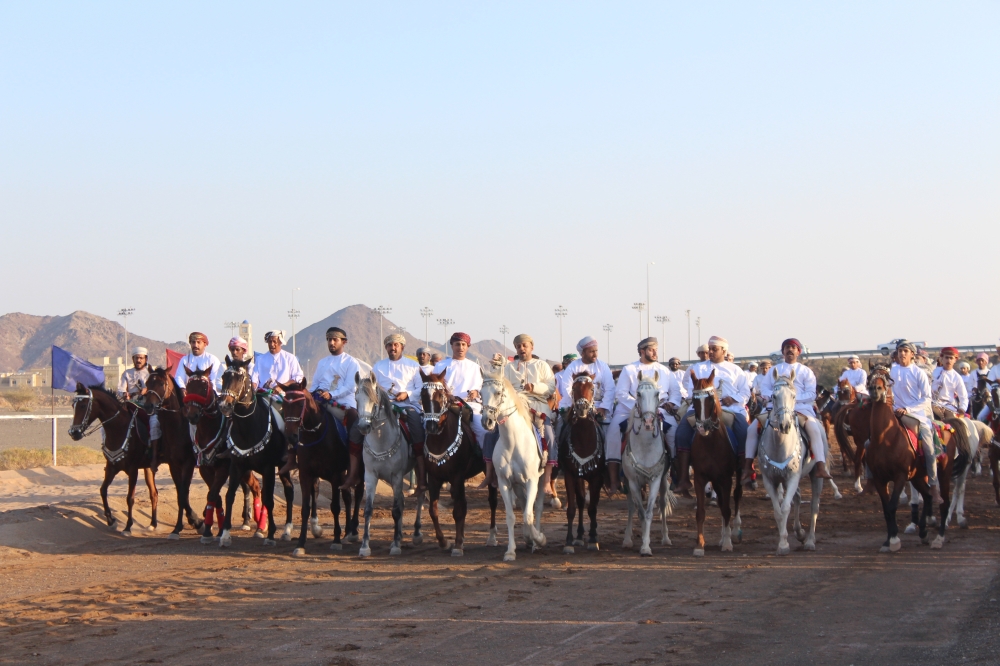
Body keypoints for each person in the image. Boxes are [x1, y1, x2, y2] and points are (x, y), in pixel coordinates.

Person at [346, 333, 429, 490]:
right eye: (390, 345)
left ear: (402, 347)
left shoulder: (412, 366)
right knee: (356, 430)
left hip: (407, 405)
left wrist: (407, 394)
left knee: (417, 430)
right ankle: (353, 475)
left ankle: (422, 478)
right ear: (386, 348)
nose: (393, 347)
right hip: (383, 406)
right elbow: (373, 387)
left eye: (396, 345)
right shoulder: (378, 366)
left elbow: (421, 388)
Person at [744, 338, 832, 484]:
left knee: (815, 429)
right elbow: (764, 389)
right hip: (774, 408)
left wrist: (790, 398)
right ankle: (748, 467)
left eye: (793, 347)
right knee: (752, 429)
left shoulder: (806, 371)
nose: (790, 350)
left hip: (801, 408)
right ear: (783, 351)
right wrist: (777, 397)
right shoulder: (773, 370)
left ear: (798, 351)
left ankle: (821, 465)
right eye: (787, 347)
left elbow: (811, 393)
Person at [674, 336, 751, 493]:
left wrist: (734, 398)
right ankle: (683, 478)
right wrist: (697, 397)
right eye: (709, 349)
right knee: (681, 432)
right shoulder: (698, 367)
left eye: (714, 349)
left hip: (730, 410)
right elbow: (688, 388)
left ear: (724, 350)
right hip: (701, 409)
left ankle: (746, 472)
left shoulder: (735, 370)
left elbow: (745, 392)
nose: (710, 352)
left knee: (744, 432)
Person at [605, 337, 681, 494]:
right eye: (651, 350)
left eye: (656, 350)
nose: (655, 353)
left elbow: (675, 392)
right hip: (630, 410)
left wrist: (672, 403)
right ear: (642, 351)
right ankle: (614, 481)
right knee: (612, 433)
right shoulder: (629, 369)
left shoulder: (664, 370)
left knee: (674, 432)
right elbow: (621, 393)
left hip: (661, 410)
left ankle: (676, 475)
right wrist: (641, 407)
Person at [487, 334, 557, 493]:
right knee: (491, 434)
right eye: (518, 346)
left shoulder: (542, 365)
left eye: (524, 345)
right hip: (514, 409)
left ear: (532, 347)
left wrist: (535, 387)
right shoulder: (510, 367)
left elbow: (551, 387)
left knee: (551, 437)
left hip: (537, 408)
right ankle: (491, 475)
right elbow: (500, 385)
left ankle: (547, 480)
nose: (521, 348)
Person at [298, 327, 363, 481]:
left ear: (344, 342)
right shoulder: (322, 362)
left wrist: (332, 394)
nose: (331, 342)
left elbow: (350, 386)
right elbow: (315, 385)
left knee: (355, 421)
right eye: (329, 339)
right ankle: (295, 456)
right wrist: (309, 394)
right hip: (321, 401)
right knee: (299, 418)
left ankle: (353, 467)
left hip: (343, 404)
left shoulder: (351, 362)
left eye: (335, 339)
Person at [891, 340, 942, 504]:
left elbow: (927, 399)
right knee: (871, 438)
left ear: (912, 354)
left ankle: (933, 486)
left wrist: (907, 409)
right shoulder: (892, 371)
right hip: (894, 413)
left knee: (928, 443)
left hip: (916, 415)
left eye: (906, 351)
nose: (902, 353)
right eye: (900, 350)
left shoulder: (918, 372)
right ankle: (871, 480)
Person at [433, 332, 488, 446]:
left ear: (468, 346)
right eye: (457, 344)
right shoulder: (440, 365)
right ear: (452, 346)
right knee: (428, 428)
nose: (460, 348)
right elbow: (434, 388)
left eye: (463, 344)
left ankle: (485, 461)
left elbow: (481, 386)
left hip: (470, 405)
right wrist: (447, 396)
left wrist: (476, 392)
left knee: (483, 432)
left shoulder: (475, 367)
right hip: (445, 405)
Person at [118, 347, 162, 468]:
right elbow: (120, 389)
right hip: (130, 405)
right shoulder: (127, 373)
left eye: (141, 358)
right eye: (136, 358)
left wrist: (147, 390)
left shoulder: (150, 373)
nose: (138, 360)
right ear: (133, 359)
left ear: (146, 359)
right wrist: (124, 393)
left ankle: (154, 455)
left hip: (148, 407)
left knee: (154, 424)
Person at [558, 337, 615, 420]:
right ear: (583, 353)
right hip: (574, 406)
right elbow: (567, 389)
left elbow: (610, 389)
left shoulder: (603, 366)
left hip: (598, 406)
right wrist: (577, 406)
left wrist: (603, 408)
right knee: (559, 427)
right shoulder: (572, 367)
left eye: (596, 351)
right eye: (591, 351)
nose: (595, 354)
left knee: (613, 431)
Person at [252, 330, 304, 396]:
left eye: (274, 342)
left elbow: (298, 377)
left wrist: (281, 387)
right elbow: (254, 379)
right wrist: (254, 388)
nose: (272, 344)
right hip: (264, 395)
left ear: (280, 342)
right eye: (270, 342)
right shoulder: (260, 359)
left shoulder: (290, 358)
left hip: (284, 396)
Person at [932, 347, 968, 419]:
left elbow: (963, 397)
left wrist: (962, 408)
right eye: (946, 357)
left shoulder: (957, 377)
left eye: (951, 358)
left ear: (955, 360)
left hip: (948, 407)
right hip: (931, 403)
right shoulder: (934, 371)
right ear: (942, 358)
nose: (948, 360)